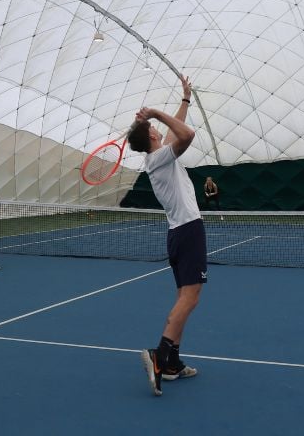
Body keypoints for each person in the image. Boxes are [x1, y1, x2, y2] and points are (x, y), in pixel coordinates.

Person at [128, 75, 204, 396]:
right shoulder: (158, 158)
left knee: (184, 298)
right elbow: (186, 134)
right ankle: (159, 355)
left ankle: (171, 363)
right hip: (188, 232)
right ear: (151, 136)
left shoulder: (159, 158)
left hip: (179, 233)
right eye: (156, 129)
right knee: (190, 298)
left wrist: (185, 100)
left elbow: (177, 130)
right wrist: (157, 113)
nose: (160, 130)